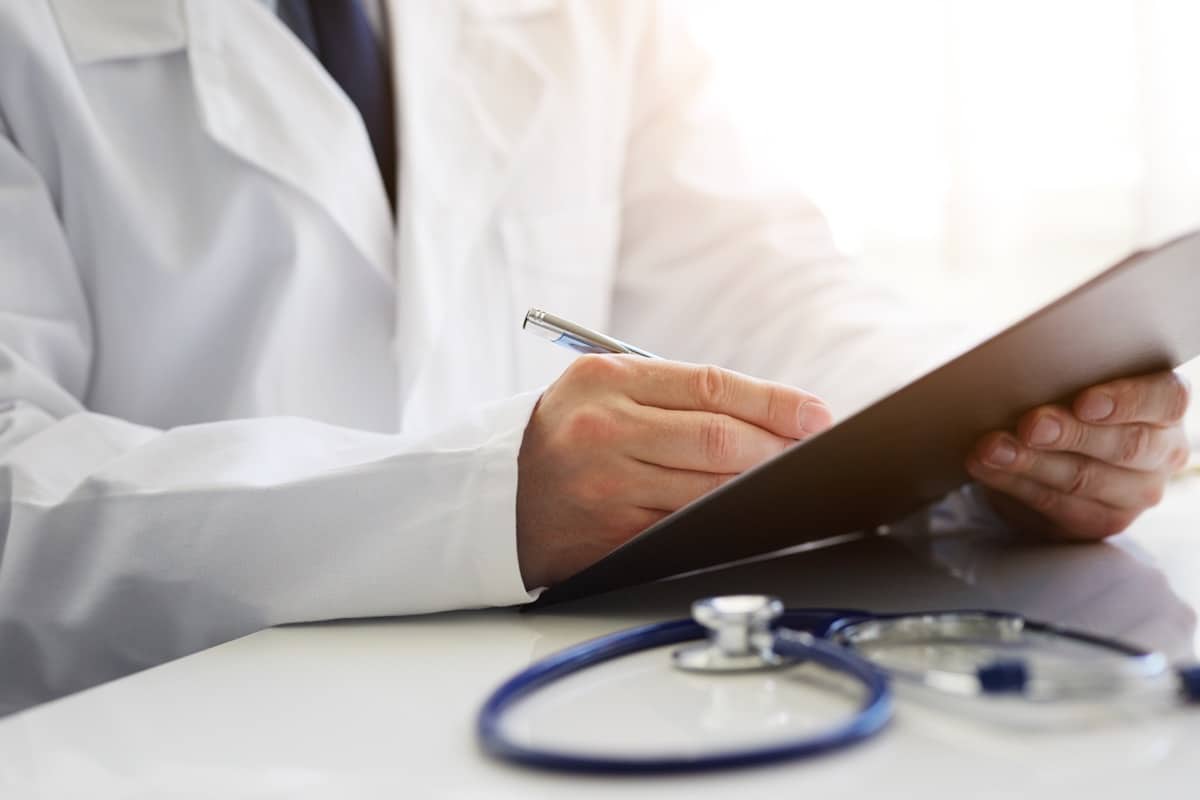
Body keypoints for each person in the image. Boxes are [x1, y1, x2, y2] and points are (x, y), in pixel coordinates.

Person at [0, 0, 1189, 715]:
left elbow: (764, 286)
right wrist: (483, 495)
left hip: (534, 708)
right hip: (146, 738)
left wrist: (1000, 433)